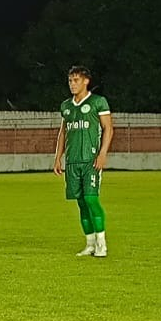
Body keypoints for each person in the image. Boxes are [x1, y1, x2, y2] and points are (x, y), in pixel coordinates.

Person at [54, 65, 114, 257]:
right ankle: (90, 244)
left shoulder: (98, 102)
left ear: (86, 81)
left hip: (91, 160)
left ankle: (101, 244)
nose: (72, 84)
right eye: (70, 80)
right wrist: (58, 157)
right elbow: (63, 133)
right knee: (81, 202)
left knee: (91, 199)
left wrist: (102, 154)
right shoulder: (66, 106)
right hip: (73, 161)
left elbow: (108, 129)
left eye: (76, 80)